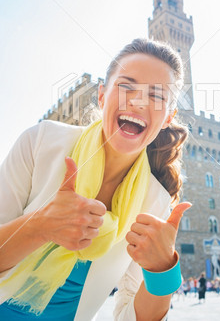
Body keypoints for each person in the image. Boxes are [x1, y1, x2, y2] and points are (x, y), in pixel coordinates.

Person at [0, 38, 192, 320]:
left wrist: (163, 271)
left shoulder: (155, 202)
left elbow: (129, 315)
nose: (138, 102)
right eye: (126, 86)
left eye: (157, 96)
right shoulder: (40, 142)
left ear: (168, 117)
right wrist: (40, 227)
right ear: (102, 95)